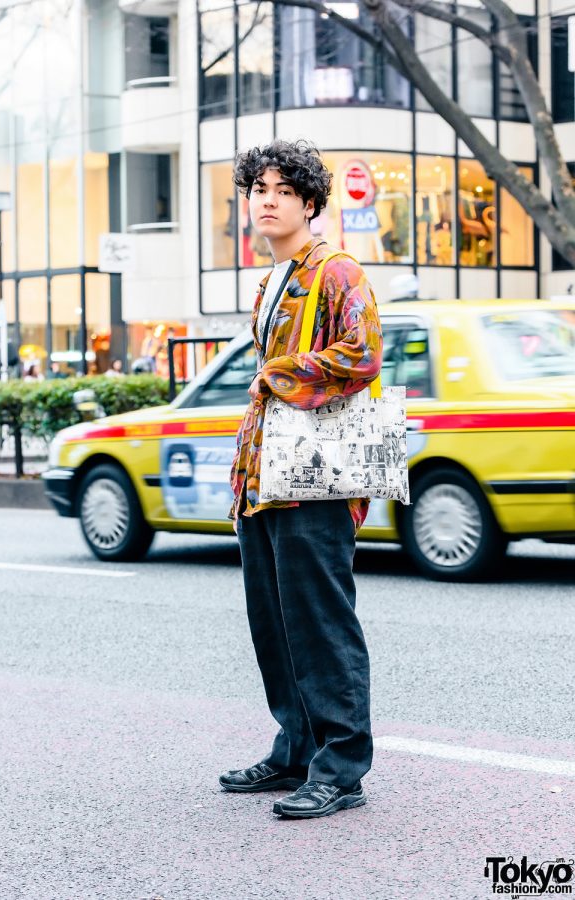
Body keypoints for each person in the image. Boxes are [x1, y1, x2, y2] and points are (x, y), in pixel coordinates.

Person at [220, 139, 382, 819]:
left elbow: (365, 353)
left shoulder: (337, 269)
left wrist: (280, 375)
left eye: (282, 190)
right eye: (257, 189)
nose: (266, 200)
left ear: (311, 203)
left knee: (320, 621)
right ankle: (296, 749)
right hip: (266, 475)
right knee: (275, 621)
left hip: (317, 476)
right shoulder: (272, 282)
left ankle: (342, 767)